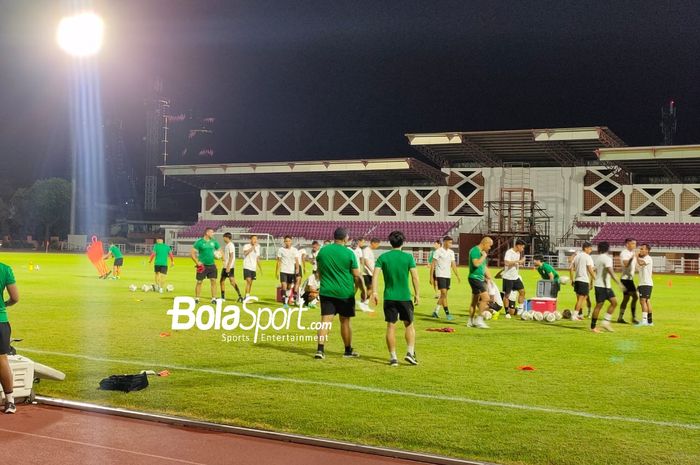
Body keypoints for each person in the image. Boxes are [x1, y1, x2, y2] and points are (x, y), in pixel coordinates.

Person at [314, 227, 366, 359]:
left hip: (326, 291)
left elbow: (319, 272)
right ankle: (348, 351)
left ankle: (320, 350)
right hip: (345, 293)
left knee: (325, 321)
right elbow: (356, 275)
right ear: (345, 238)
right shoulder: (349, 253)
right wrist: (363, 290)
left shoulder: (323, 251)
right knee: (345, 322)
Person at [370, 231, 419, 367]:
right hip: (404, 296)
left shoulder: (383, 257)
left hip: (389, 297)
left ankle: (393, 358)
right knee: (409, 325)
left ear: (390, 242)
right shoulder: (408, 258)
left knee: (391, 326)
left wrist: (374, 292)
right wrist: (417, 294)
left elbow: (375, 276)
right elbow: (415, 277)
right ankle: (409, 352)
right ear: (403, 242)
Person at [591, 241, 626, 333]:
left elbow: (594, 269)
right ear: (608, 248)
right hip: (602, 286)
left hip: (604, 286)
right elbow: (611, 272)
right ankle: (593, 327)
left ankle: (605, 322)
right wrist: (619, 283)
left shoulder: (598, 258)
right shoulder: (607, 259)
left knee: (614, 302)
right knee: (599, 305)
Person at [0, 261, 19, 414]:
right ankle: (10, 401)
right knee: (2, 359)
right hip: (0, 319)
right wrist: (5, 303)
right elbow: (15, 297)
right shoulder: (5, 268)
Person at [429, 236, 460, 320]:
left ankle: (436, 311)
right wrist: (431, 277)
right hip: (440, 275)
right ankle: (447, 314)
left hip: (447, 276)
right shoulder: (438, 251)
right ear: (445, 242)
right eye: (450, 242)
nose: (451, 244)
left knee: (444, 295)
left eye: (451, 242)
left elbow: (453, 264)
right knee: (444, 294)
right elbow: (433, 265)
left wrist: (457, 275)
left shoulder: (451, 252)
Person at [467, 236, 493, 328]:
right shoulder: (475, 251)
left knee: (474, 301)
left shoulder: (482, 253)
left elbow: (484, 267)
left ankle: (470, 321)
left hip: (479, 278)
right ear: (485, 243)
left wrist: (489, 277)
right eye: (489, 245)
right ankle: (479, 320)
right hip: (475, 278)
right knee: (486, 298)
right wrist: (484, 256)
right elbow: (476, 263)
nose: (489, 248)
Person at [191, 227, 220, 304]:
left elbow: (220, 251)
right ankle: (197, 298)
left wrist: (220, 256)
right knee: (199, 282)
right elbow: (192, 253)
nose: (213, 234)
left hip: (212, 265)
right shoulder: (199, 242)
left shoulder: (214, 242)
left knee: (213, 281)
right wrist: (197, 263)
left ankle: (213, 298)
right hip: (202, 266)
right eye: (212, 232)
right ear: (207, 233)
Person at [570, 242, 595, 320]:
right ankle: (574, 315)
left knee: (581, 299)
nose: (591, 250)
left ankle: (579, 314)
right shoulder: (588, 257)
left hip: (577, 280)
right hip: (583, 280)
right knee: (581, 299)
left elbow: (570, 268)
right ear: (586, 248)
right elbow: (590, 269)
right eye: (590, 248)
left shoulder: (577, 256)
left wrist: (572, 279)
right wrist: (595, 278)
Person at [502, 239, 526, 315]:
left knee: (522, 292)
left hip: (515, 277)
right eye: (522, 247)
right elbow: (506, 263)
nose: (523, 249)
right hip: (508, 277)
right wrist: (518, 262)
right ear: (518, 246)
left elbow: (514, 264)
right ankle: (507, 313)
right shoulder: (509, 252)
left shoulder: (518, 253)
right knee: (507, 295)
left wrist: (519, 264)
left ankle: (520, 309)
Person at [618, 238, 639, 324]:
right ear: (627, 244)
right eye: (633, 243)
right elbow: (626, 264)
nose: (635, 245)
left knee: (626, 299)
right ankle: (633, 317)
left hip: (628, 279)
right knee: (635, 297)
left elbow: (634, 266)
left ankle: (620, 318)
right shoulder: (625, 253)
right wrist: (633, 257)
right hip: (626, 280)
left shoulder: (631, 253)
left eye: (635, 243)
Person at [275, 236, 299, 309]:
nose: (287, 242)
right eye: (286, 241)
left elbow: (296, 260)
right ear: (284, 242)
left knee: (289, 287)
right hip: (283, 271)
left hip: (291, 271)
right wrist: (276, 272)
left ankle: (287, 299)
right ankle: (284, 303)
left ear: (291, 241)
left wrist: (297, 269)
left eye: (289, 241)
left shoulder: (294, 250)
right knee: (284, 286)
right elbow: (278, 261)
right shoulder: (281, 250)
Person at [220, 232, 243, 302]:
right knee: (221, 281)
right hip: (226, 266)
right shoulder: (227, 245)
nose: (223, 239)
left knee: (232, 282)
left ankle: (240, 296)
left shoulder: (231, 245)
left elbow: (231, 256)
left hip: (229, 267)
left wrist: (228, 266)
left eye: (224, 237)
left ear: (227, 237)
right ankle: (223, 297)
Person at [635, 243, 654, 327]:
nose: (640, 250)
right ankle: (650, 322)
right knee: (647, 301)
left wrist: (636, 256)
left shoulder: (648, 258)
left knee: (643, 301)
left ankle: (644, 321)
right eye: (640, 249)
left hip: (646, 283)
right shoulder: (644, 259)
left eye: (642, 249)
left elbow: (640, 263)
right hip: (644, 283)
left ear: (647, 250)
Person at [361, 238, 381, 307]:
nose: (377, 246)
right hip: (366, 273)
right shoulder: (366, 250)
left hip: (369, 273)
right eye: (377, 244)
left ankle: (364, 302)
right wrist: (372, 270)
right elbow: (366, 261)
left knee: (370, 288)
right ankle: (364, 302)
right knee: (370, 288)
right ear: (373, 243)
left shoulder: (369, 250)